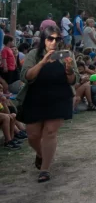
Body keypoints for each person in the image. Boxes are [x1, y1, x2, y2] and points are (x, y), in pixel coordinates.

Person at [16, 25, 78, 182]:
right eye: (51, 38)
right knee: (33, 135)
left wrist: (69, 70)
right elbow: (26, 77)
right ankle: (42, 154)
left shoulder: (67, 55)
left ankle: (45, 169)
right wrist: (43, 62)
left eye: (57, 39)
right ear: (44, 39)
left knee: (50, 132)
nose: (54, 42)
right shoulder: (33, 54)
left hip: (59, 96)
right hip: (35, 97)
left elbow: (73, 80)